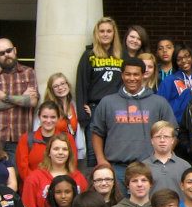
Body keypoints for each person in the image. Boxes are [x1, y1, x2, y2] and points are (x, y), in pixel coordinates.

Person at [91, 58, 177, 189]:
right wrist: (101, 160)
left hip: (149, 167)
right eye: (128, 74)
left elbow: (173, 132)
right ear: (122, 75)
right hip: (117, 168)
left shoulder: (159, 102)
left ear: (143, 75)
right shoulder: (107, 102)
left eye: (136, 74)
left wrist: (163, 157)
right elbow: (97, 132)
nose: (132, 78)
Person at [0, 37, 39, 162]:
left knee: (17, 179)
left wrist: (5, 97)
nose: (6, 55)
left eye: (9, 50)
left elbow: (33, 102)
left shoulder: (29, 73)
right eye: (1, 53)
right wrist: (22, 98)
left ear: (15, 50)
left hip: (21, 137)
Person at [75, 18, 123, 167]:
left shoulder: (121, 55)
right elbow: (81, 84)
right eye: (102, 31)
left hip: (117, 108)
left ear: (114, 33)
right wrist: (83, 112)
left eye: (109, 31)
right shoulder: (89, 55)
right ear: (97, 33)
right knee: (93, 153)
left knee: (114, 149)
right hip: (95, 108)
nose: (105, 34)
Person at [21, 135, 87, 207]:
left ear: (69, 153)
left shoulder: (79, 177)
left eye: (64, 149)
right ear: (49, 152)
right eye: (56, 149)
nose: (60, 152)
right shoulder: (34, 178)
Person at [40, 73, 83, 159]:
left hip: (72, 152)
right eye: (55, 86)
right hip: (53, 153)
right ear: (51, 90)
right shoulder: (48, 108)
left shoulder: (74, 106)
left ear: (68, 84)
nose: (60, 88)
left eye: (62, 83)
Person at [157, 42, 192, 124]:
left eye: (187, 56)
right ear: (175, 62)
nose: (184, 61)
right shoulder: (169, 81)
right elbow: (160, 105)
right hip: (176, 125)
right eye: (179, 59)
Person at [142, 121, 190, 197]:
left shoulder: (185, 166)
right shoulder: (143, 166)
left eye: (166, 137)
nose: (162, 140)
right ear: (152, 141)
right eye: (158, 137)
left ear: (173, 140)